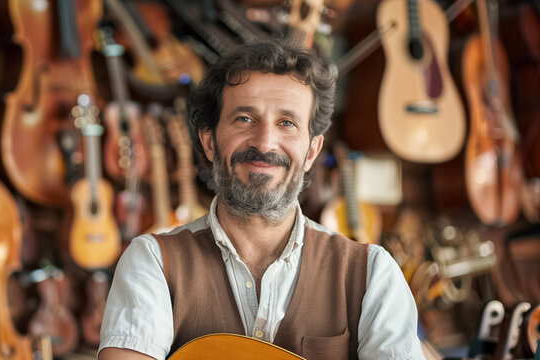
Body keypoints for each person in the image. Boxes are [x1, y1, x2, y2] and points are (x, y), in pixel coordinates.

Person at [98, 38, 424, 360]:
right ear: (209, 142)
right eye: (245, 119)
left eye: (287, 123)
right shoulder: (153, 262)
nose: (265, 142)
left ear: (311, 151)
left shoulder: (371, 274)